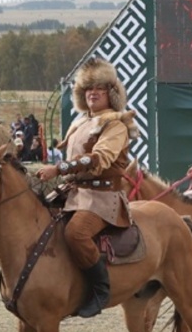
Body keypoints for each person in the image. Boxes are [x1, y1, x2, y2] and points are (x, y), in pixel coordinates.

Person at [37, 58, 133, 318]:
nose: (93, 93)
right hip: (74, 191)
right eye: (88, 89)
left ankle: (101, 290)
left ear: (110, 93)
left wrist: (58, 170)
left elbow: (98, 158)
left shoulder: (115, 124)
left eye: (99, 88)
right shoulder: (79, 123)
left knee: (76, 233)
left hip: (103, 197)